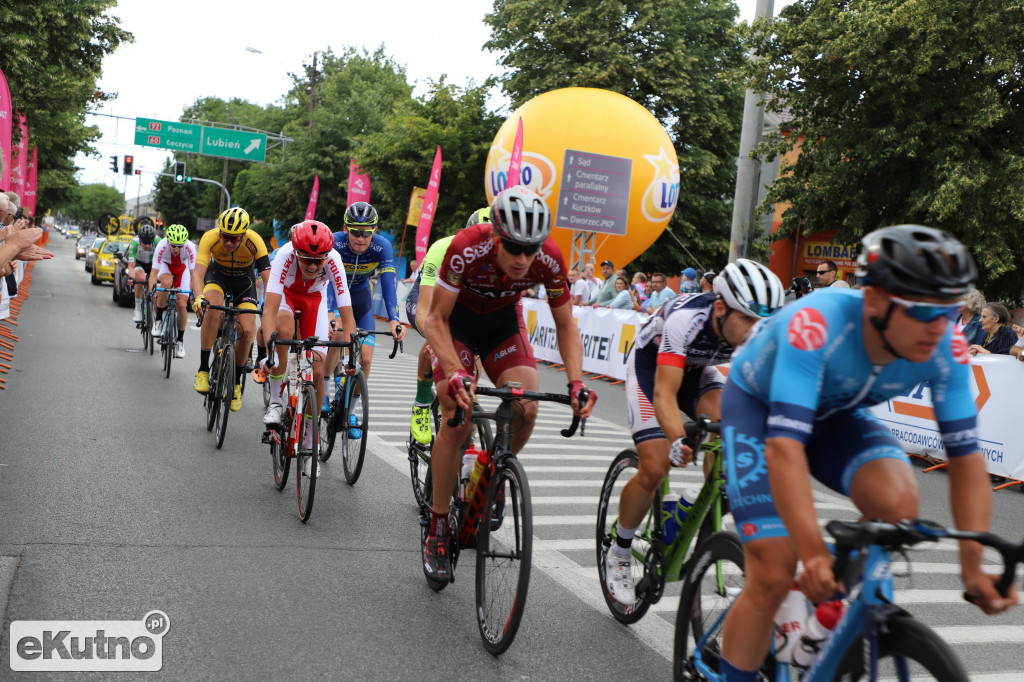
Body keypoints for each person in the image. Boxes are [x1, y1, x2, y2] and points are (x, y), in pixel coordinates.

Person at [716, 225, 1015, 682]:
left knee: (898, 505)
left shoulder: (945, 346)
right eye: (921, 312)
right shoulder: (818, 321)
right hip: (759, 408)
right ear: (874, 300)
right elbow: (784, 447)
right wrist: (812, 552)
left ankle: (819, 605)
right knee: (772, 573)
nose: (938, 330)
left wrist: (972, 568)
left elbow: (967, 460)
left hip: (835, 413)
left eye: (948, 313)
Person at [421, 186, 597, 585]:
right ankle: (438, 527)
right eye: (514, 248)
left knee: (526, 406)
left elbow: (567, 324)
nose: (523, 259)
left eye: (530, 249)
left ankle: (490, 471)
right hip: (458, 325)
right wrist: (454, 369)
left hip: (502, 324)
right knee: (456, 415)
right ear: (495, 237)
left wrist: (575, 383)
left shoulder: (548, 257)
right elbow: (434, 319)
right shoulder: (467, 247)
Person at [604, 259, 785, 606]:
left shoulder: (758, 332)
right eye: (746, 318)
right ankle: (620, 550)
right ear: (720, 307)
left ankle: (693, 507)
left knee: (733, 440)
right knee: (656, 466)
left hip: (698, 371)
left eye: (760, 321)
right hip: (652, 369)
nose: (753, 329)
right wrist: (677, 439)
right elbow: (664, 394)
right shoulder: (686, 320)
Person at [261, 221, 357, 469]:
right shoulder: (284, 255)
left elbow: (347, 314)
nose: (314, 265)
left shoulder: (333, 259)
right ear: (295, 253)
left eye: (319, 260)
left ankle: (309, 440)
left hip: (315, 299)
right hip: (286, 296)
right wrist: (270, 349)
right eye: (306, 260)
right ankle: (274, 402)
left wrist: (349, 357)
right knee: (283, 330)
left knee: (316, 369)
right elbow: (269, 310)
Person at [405, 207, 490, 446]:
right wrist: (435, 338)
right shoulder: (443, 248)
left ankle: (464, 404)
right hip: (427, 298)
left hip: (462, 304)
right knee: (435, 339)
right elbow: (424, 310)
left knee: (474, 354)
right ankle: (421, 404)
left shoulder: (500, 258)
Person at [322, 201, 406, 417]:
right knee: (339, 336)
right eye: (355, 232)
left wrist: (394, 319)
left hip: (361, 301)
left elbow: (388, 283)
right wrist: (331, 312)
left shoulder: (382, 246)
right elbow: (328, 280)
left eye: (366, 233)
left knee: (366, 360)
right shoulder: (334, 242)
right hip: (335, 296)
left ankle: (350, 411)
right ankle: (324, 388)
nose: (361, 238)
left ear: (375, 231)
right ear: (345, 229)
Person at [191, 207, 271, 413]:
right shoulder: (210, 238)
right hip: (217, 277)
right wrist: (199, 297)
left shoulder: (255, 241)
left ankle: (235, 383)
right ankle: (202, 370)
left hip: (244, 282)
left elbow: (268, 279)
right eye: (225, 237)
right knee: (212, 310)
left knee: (247, 327)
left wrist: (269, 305)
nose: (228, 242)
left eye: (234, 239)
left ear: (244, 235)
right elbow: (198, 274)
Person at [150, 224, 197, 359]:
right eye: (174, 246)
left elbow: (195, 275)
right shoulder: (162, 246)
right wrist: (153, 290)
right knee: (166, 283)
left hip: (183, 269)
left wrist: (195, 295)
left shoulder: (190, 248)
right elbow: (154, 273)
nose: (177, 249)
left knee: (182, 305)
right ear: (168, 241)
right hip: (166, 266)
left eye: (180, 246)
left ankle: (180, 341)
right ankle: (158, 319)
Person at [126, 223, 158, 323]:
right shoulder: (134, 243)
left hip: (153, 264)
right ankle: (138, 308)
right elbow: (131, 266)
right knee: (140, 279)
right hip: (139, 263)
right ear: (140, 239)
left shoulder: (158, 242)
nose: (147, 245)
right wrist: (131, 278)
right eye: (144, 242)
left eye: (149, 243)